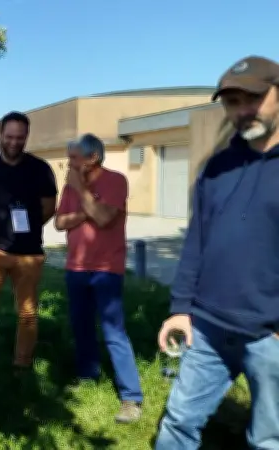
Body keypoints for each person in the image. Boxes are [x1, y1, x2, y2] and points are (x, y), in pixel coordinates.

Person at [155, 55, 279, 449]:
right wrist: (180, 308)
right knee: (177, 423)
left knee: (268, 439)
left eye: (253, 99)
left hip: (269, 335)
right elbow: (197, 241)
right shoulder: (217, 167)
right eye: (232, 102)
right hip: (207, 327)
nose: (242, 111)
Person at [53, 133, 144, 423]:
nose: (69, 164)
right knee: (81, 326)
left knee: (114, 331)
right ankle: (88, 375)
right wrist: (86, 209)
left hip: (107, 268)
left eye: (74, 158)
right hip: (75, 267)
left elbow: (105, 218)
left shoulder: (116, 181)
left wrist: (81, 194)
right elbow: (59, 222)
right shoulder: (71, 186)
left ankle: (131, 397)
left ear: (93, 158)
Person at [0, 111, 58, 370]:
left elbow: (49, 207)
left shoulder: (40, 169)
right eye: (9, 137)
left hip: (29, 255)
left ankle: (22, 367)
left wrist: (28, 230)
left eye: (20, 137)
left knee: (28, 315)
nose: (14, 142)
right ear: (0, 136)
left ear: (27, 136)